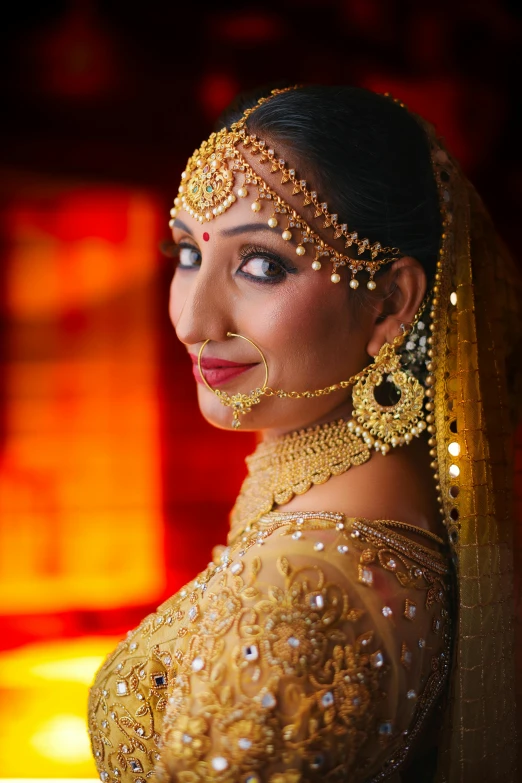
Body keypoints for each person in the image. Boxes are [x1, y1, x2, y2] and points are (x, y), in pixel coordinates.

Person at [87, 85, 522, 782]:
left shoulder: (294, 604)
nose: (194, 320)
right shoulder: (384, 518)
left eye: (262, 264)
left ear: (388, 303)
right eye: (188, 254)